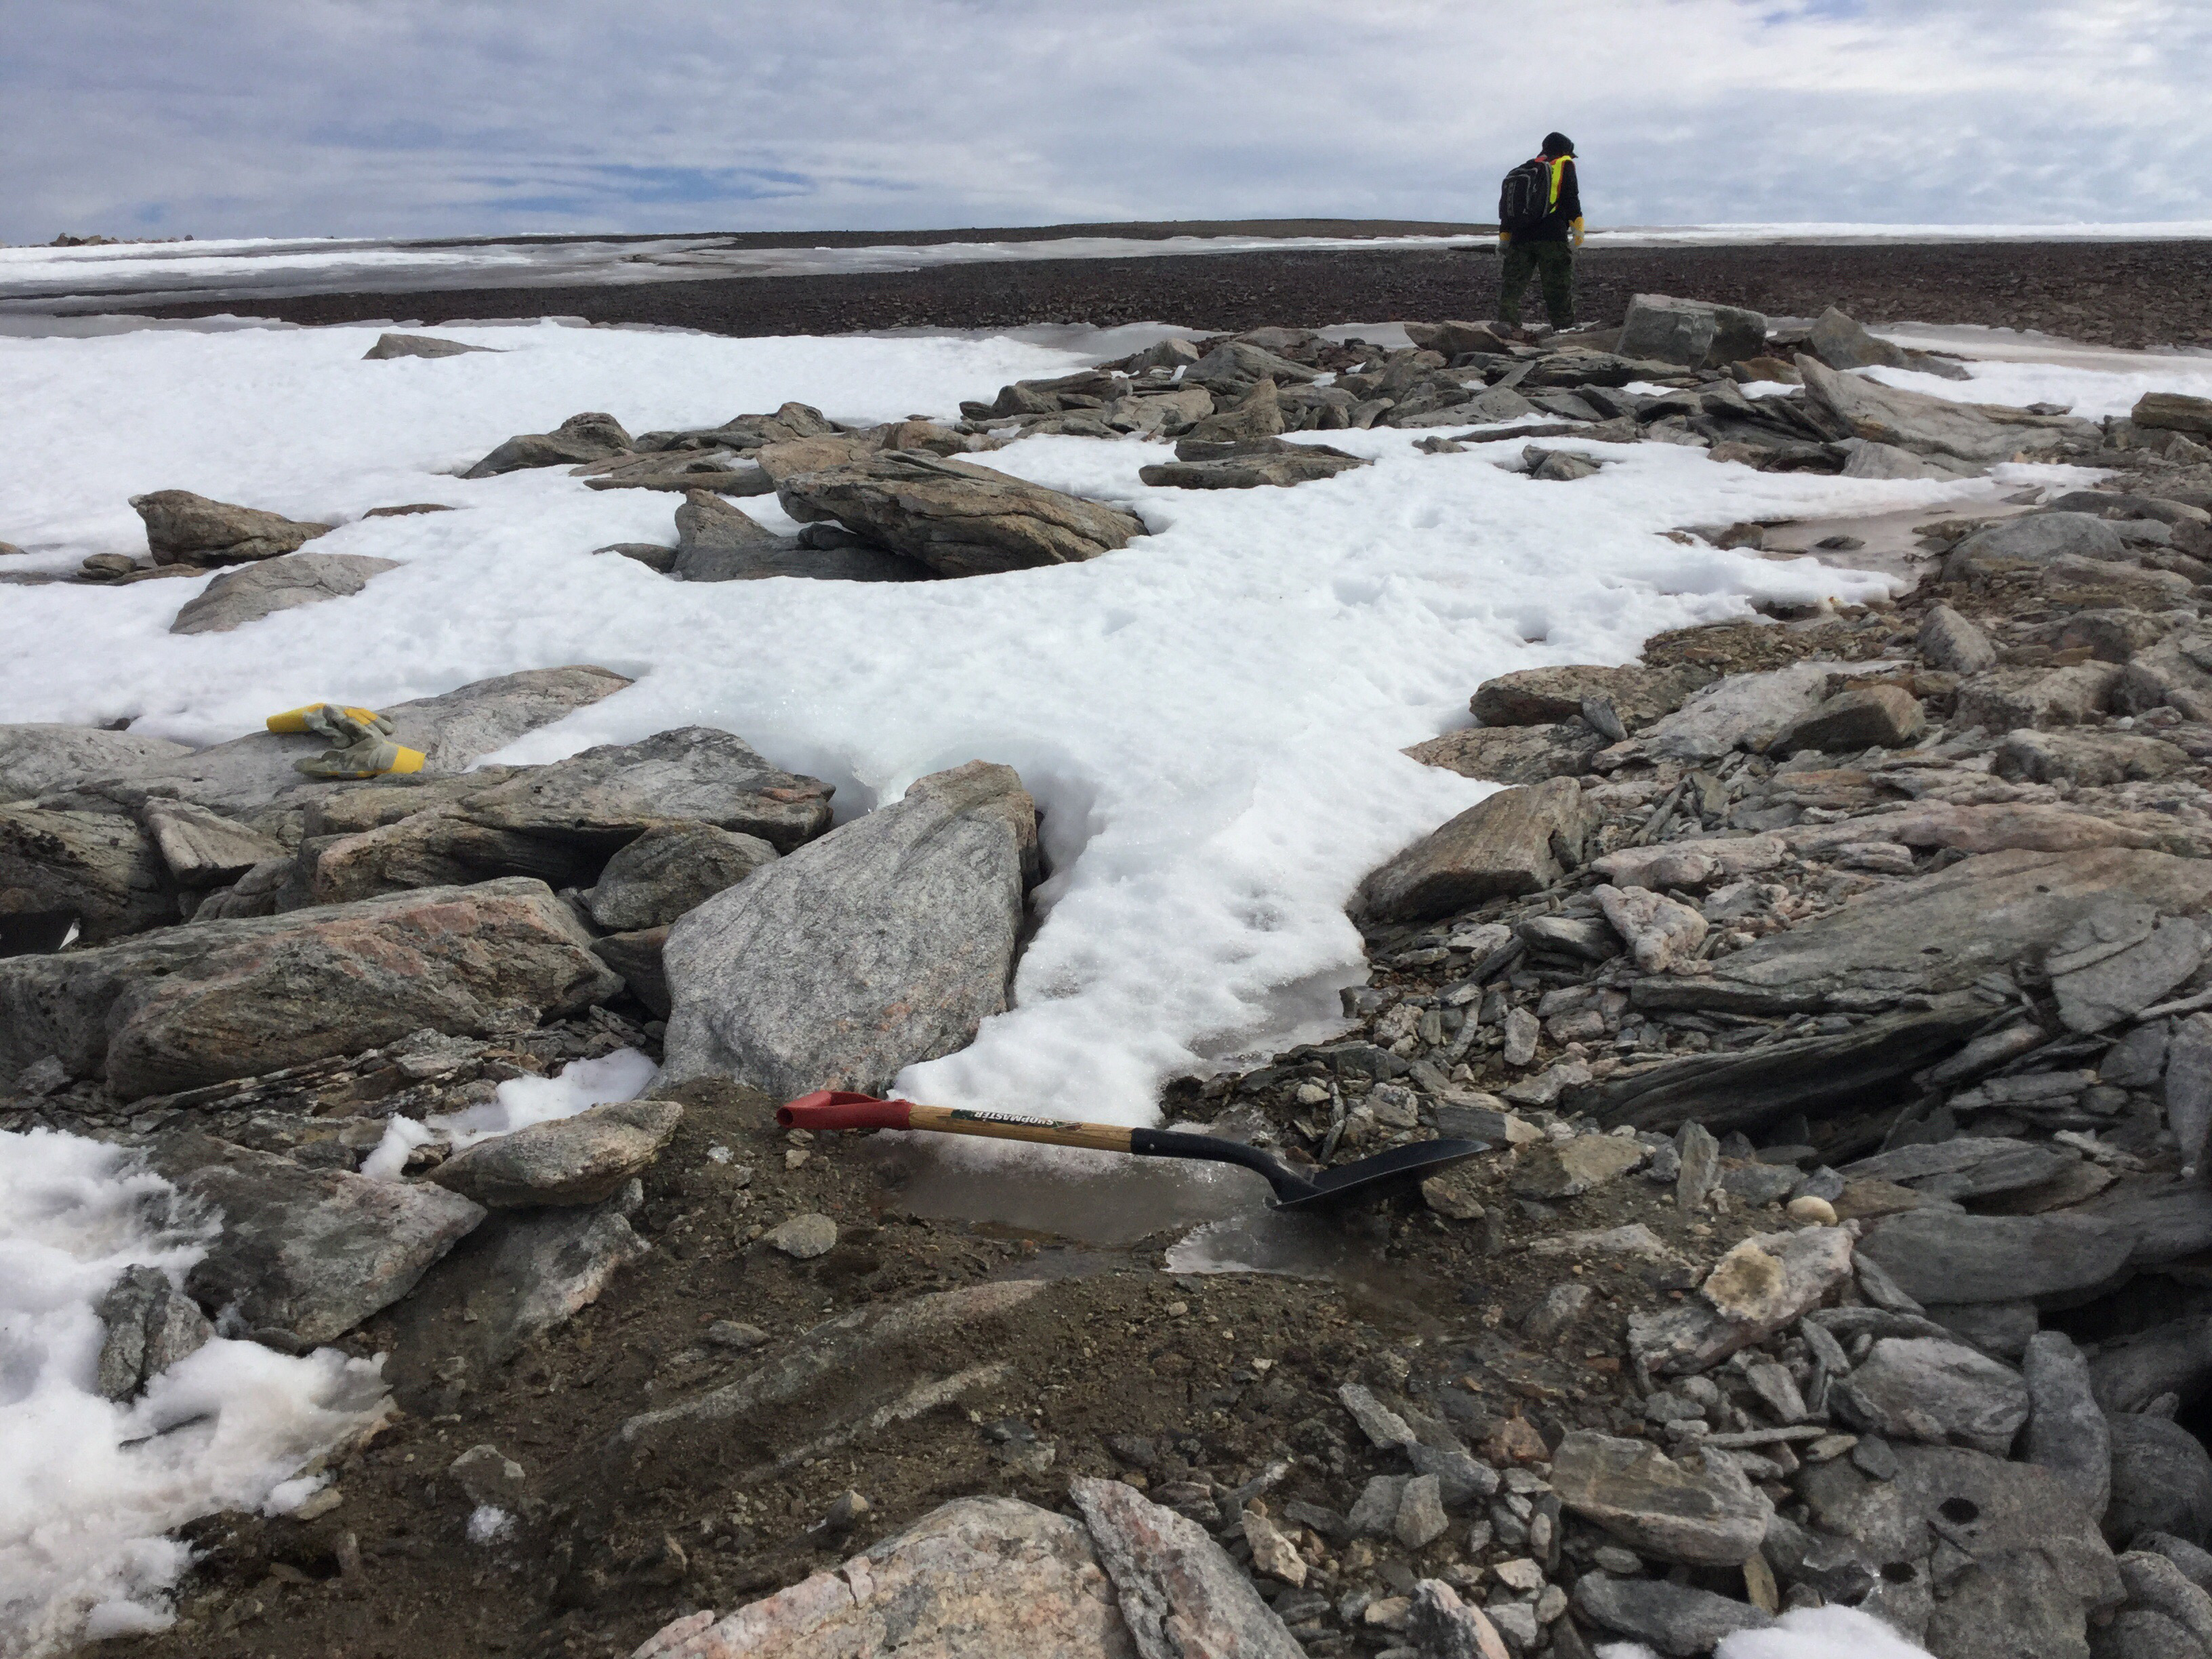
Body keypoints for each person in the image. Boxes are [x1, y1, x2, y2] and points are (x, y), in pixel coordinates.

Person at [1498, 132, 1584, 334]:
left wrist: (1505, 236)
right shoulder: (1564, 164)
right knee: (1557, 283)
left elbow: (1508, 205)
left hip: (1520, 236)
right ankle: (1564, 326)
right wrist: (1577, 227)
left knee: (1513, 284)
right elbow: (1571, 197)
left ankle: (1507, 324)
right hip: (1551, 235)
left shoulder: (1524, 169)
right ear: (1565, 151)